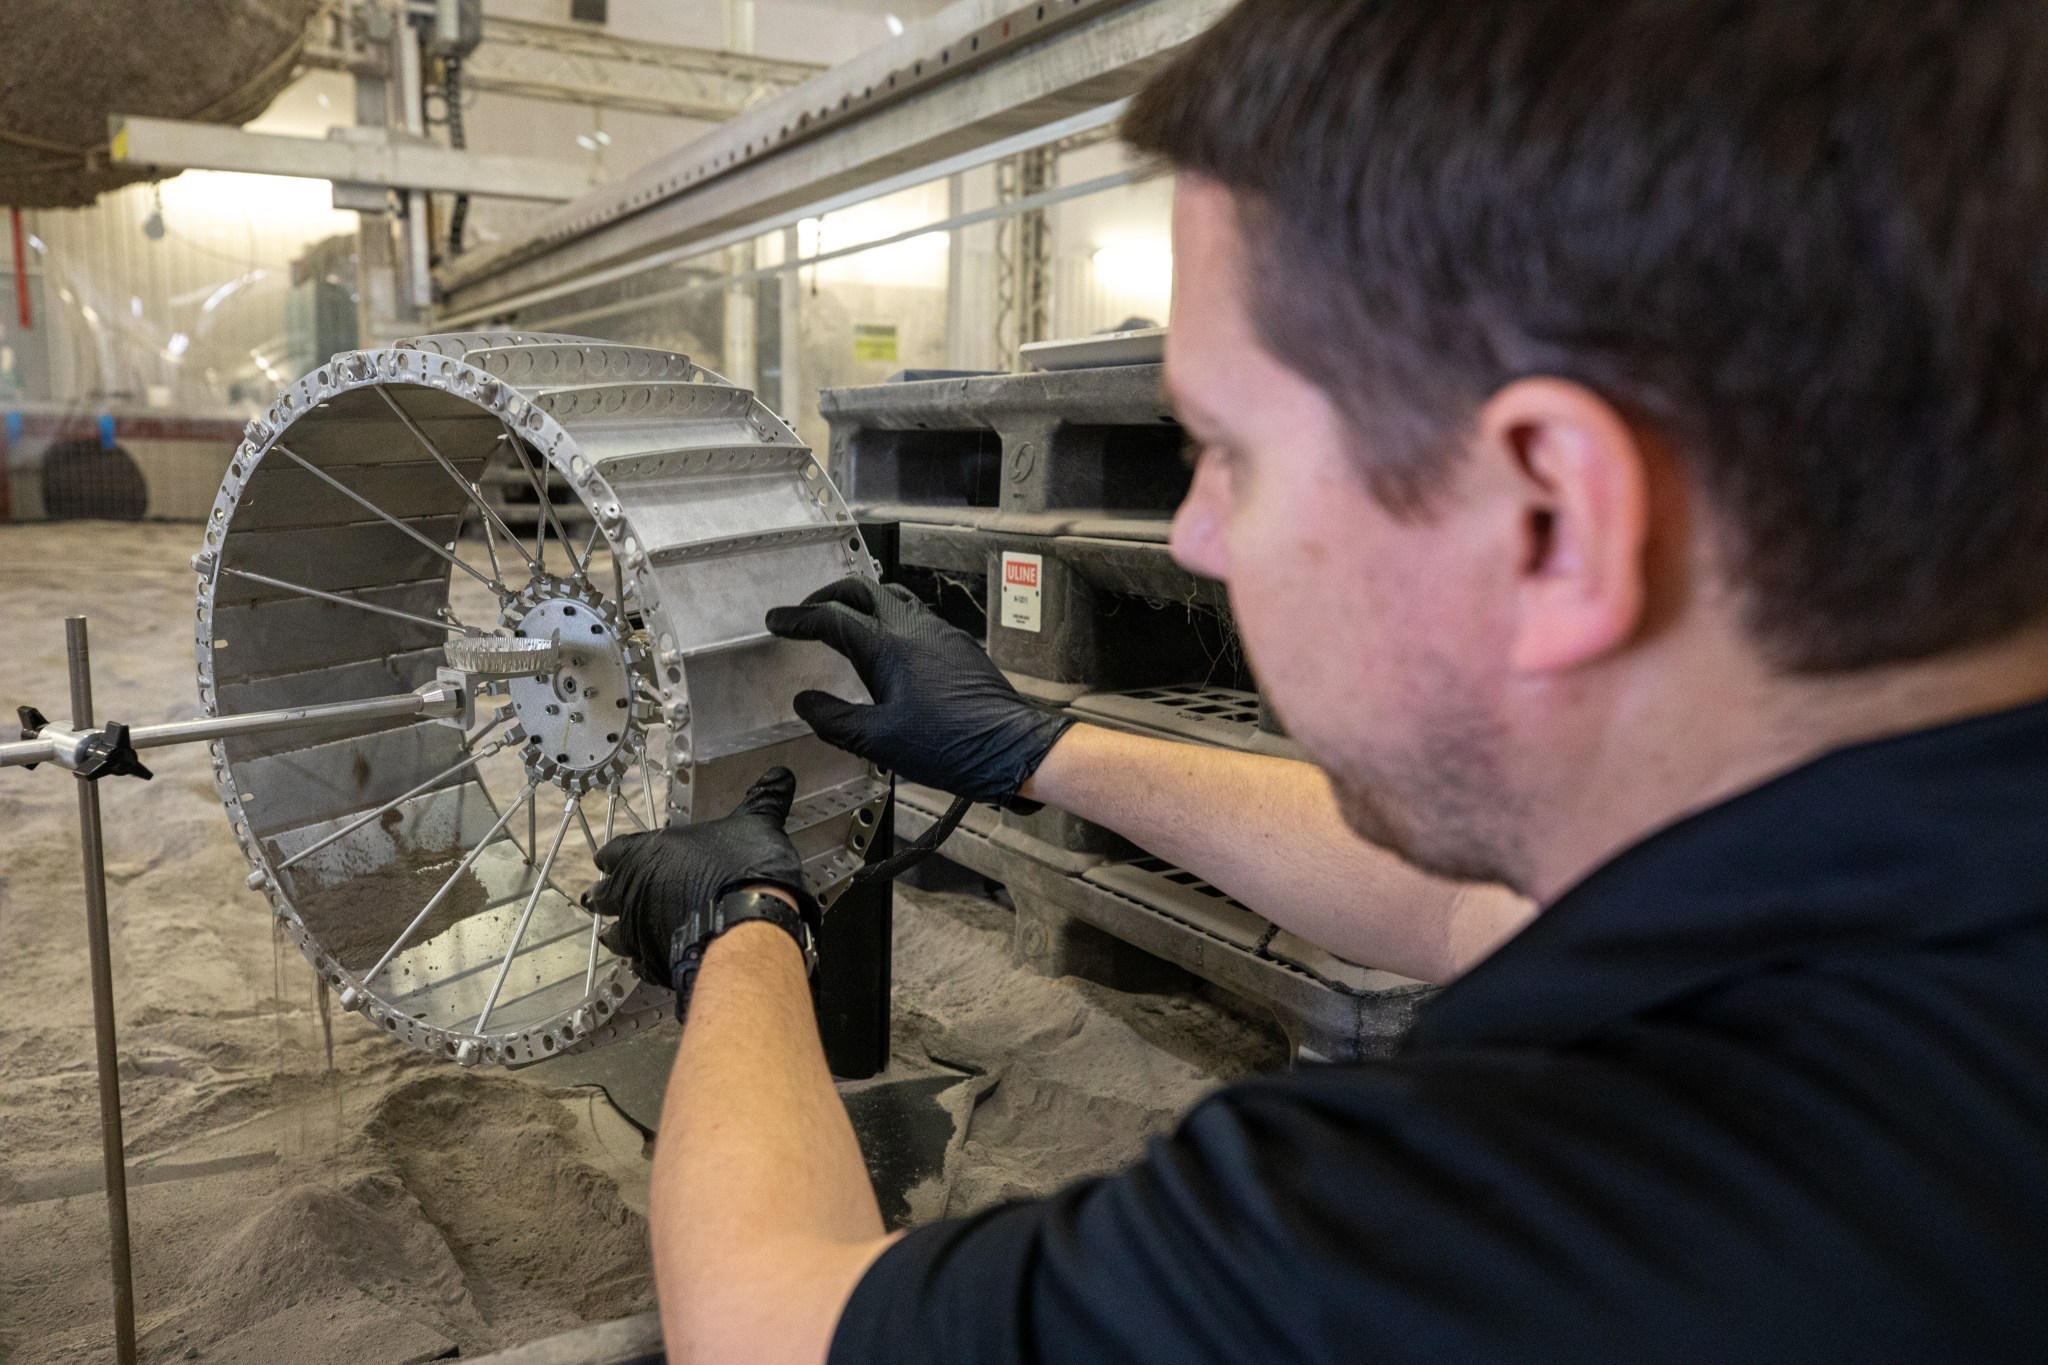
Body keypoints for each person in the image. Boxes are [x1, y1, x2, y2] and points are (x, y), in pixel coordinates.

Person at [588, 1, 2048, 1360]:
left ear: (1552, 518)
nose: (1199, 536)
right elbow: (1485, 909)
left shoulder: (1483, 1224)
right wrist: (1037, 748)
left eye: (1227, 450)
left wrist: (743, 930)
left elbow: (773, 1324)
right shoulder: (1925, 896)